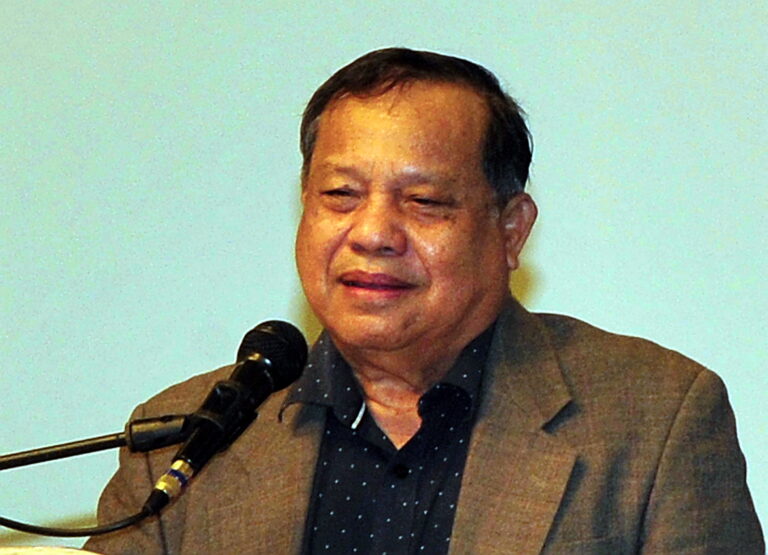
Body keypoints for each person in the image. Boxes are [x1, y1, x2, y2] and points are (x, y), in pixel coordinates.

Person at [84, 48, 763, 554]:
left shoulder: (654, 420)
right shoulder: (185, 442)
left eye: (425, 201)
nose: (373, 233)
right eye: (340, 195)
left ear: (510, 231)